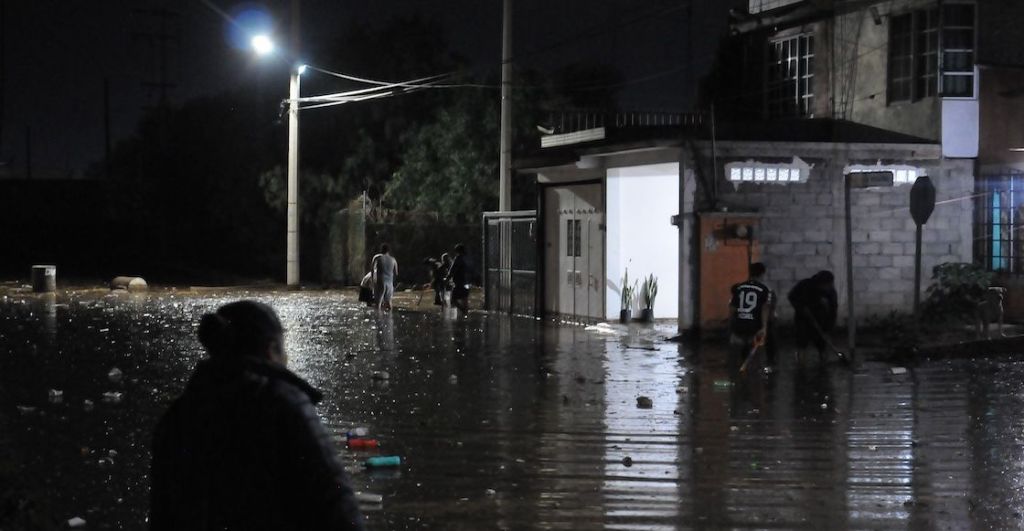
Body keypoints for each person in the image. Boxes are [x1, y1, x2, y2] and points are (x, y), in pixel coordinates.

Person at [150, 301, 365, 531]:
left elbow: (162, 515)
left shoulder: (179, 415)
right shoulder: (284, 405)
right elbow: (336, 503)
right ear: (272, 349)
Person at [788, 270, 844, 364]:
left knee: (822, 344)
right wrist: (801, 308)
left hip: (822, 321)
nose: (829, 287)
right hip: (803, 320)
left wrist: (828, 329)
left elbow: (833, 311)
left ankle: (824, 365)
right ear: (821, 283)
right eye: (826, 285)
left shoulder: (831, 292)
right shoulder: (805, 285)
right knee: (801, 344)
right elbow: (791, 297)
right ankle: (800, 367)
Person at [728, 262, 773, 376]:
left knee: (735, 359)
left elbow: (732, 308)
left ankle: (735, 383)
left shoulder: (739, 287)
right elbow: (765, 308)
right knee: (755, 360)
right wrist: (764, 328)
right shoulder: (764, 289)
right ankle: (752, 384)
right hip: (754, 326)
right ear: (762, 274)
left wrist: (731, 324)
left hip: (738, 326)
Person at [446, 243, 472, 317]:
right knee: (464, 300)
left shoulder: (458, 259)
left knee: (453, 300)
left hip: (459, 283)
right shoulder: (465, 259)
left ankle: (464, 312)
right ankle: (465, 316)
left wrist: (447, 279)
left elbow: (452, 271)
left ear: (457, 251)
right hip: (466, 283)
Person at [371, 243, 398, 311]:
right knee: (389, 303)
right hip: (390, 283)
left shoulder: (378, 258)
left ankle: (378, 320)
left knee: (378, 304)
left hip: (381, 282)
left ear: (381, 250)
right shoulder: (393, 260)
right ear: (389, 251)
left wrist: (373, 282)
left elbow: (372, 270)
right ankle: (390, 320)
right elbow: (396, 273)